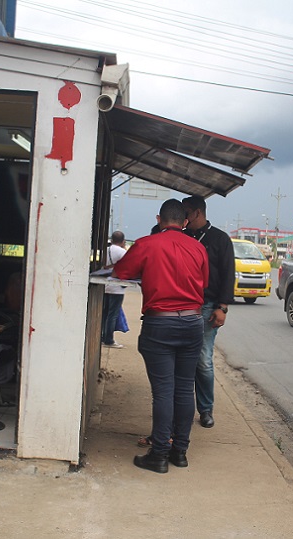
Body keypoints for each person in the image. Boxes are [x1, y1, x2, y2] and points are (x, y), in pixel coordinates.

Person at [113, 199, 209, 473]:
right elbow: (204, 283)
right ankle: (180, 451)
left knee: (164, 391)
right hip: (192, 322)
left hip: (160, 323)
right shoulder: (198, 247)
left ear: (159, 219)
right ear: (185, 222)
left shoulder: (146, 244)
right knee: (185, 388)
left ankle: (159, 455)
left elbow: (121, 272)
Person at [181, 195, 235, 429]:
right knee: (180, 358)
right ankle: (180, 407)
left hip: (207, 306)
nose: (183, 217)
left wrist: (222, 307)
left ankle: (205, 409)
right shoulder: (182, 237)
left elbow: (228, 274)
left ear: (197, 213)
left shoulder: (219, 239)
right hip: (182, 305)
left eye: (186, 213)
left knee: (202, 359)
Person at [101, 230, 128, 348]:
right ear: (123, 241)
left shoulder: (105, 250)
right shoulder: (123, 252)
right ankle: (109, 340)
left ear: (111, 240)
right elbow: (128, 266)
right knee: (113, 315)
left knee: (105, 313)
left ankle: (102, 337)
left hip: (105, 285)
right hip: (117, 287)